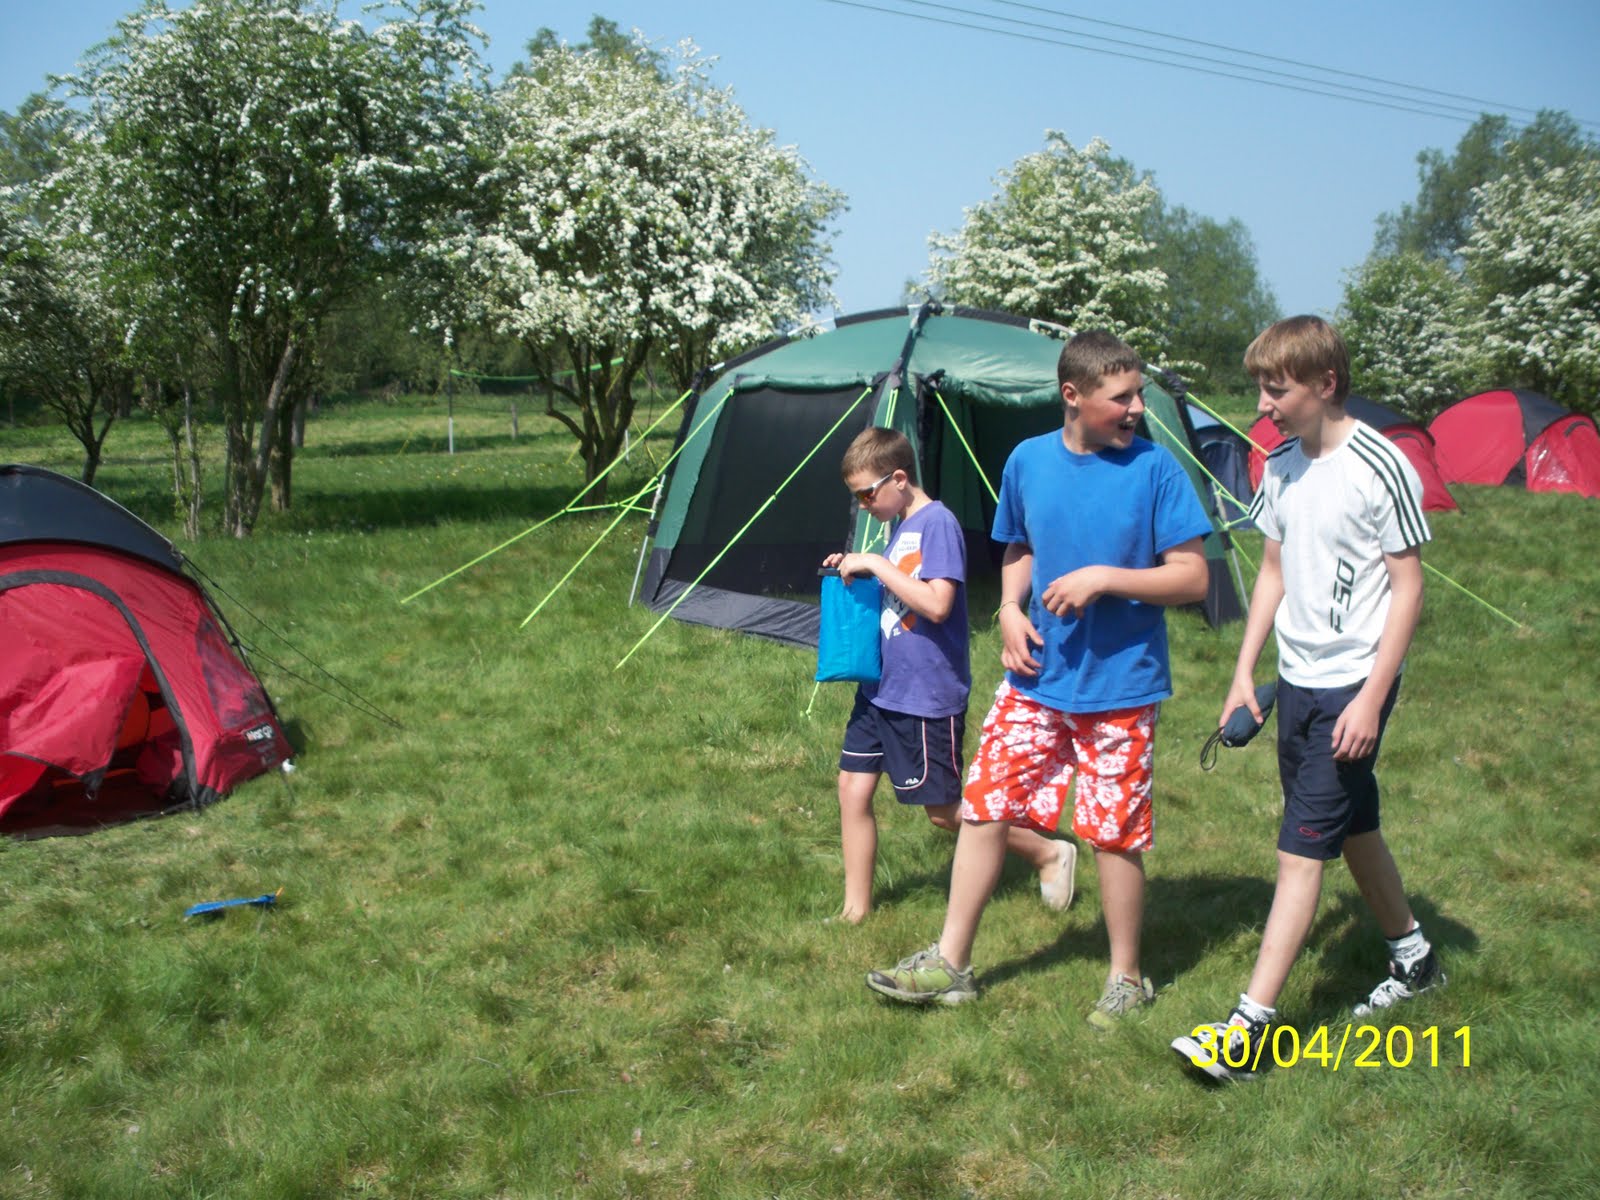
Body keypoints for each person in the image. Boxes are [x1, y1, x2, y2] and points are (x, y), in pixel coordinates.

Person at [865, 332, 1210, 1023]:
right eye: (1123, 397)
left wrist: (1106, 579)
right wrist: (1011, 608)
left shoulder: (1156, 471)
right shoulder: (1026, 461)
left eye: (1139, 393)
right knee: (986, 804)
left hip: (1120, 687)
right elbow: (1017, 543)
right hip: (1034, 676)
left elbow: (1193, 576)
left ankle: (1125, 977)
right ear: (1073, 397)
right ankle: (951, 964)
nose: (1138, 407)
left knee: (1112, 832)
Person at [1171, 316, 1444, 1082]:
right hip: (1297, 681)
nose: (1264, 403)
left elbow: (1409, 585)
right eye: (1260, 385)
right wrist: (1242, 674)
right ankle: (1415, 960)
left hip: (1355, 684)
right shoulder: (1279, 466)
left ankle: (1249, 1032)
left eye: (1277, 388)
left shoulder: (1380, 465)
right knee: (1351, 826)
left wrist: (1371, 700)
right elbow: (1271, 573)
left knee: (1299, 853)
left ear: (1325, 384)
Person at [825, 427, 1078, 925]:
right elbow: (900, 595)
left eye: (866, 493)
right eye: (855, 497)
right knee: (851, 789)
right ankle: (855, 912)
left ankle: (1047, 853)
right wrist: (855, 571)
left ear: (899, 478)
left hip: (923, 696)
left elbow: (938, 604)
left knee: (942, 812)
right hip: (880, 689)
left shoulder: (937, 523)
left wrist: (875, 563)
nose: (862, 505)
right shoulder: (899, 526)